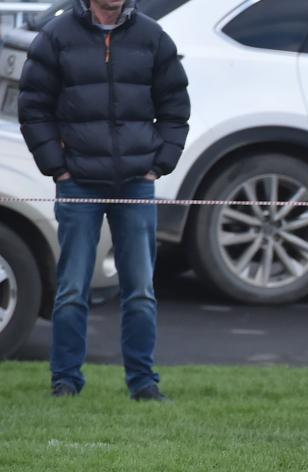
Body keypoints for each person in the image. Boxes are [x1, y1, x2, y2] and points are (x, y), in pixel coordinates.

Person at [18, 0, 190, 401]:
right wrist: (57, 167)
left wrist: (158, 165)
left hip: (136, 184)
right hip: (77, 183)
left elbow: (175, 107)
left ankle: (144, 383)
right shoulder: (56, 36)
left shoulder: (152, 36)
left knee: (141, 290)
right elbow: (34, 106)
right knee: (73, 288)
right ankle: (65, 382)